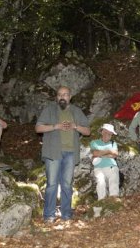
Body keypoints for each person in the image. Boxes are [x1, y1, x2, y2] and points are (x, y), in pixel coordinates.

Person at [35, 86, 90, 222]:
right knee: (52, 184)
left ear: (70, 97)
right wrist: (55, 126)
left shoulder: (76, 111)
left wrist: (75, 126)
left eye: (65, 94)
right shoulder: (49, 110)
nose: (62, 97)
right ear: (56, 97)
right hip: (53, 152)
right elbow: (38, 128)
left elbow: (88, 131)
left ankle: (66, 215)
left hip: (70, 152)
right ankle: (49, 215)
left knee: (66, 184)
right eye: (60, 95)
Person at [90, 123, 120, 200]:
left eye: (110, 134)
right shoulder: (94, 142)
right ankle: (101, 200)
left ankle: (114, 198)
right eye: (107, 133)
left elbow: (115, 154)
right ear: (102, 132)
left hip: (111, 166)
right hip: (98, 167)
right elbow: (95, 153)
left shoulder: (113, 143)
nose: (108, 135)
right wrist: (109, 151)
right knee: (100, 182)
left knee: (114, 179)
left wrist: (101, 154)